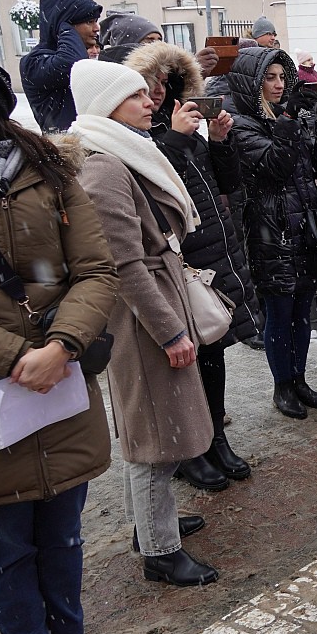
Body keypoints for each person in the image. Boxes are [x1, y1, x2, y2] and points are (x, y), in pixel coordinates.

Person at [0, 47, 123, 634]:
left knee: (62, 535)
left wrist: (63, 346)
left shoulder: (47, 170)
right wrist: (18, 357)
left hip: (59, 381)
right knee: (4, 545)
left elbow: (96, 270)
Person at [69, 59, 218, 588]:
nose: (150, 100)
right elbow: (125, 265)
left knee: (152, 427)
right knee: (155, 435)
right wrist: (171, 332)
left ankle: (150, 526)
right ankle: (159, 551)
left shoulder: (119, 152)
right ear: (107, 103)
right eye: (136, 95)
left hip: (150, 306)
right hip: (141, 318)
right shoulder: (105, 165)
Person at [123, 41, 259, 487]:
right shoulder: (134, 138)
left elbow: (226, 183)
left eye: (165, 82)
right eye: (148, 85)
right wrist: (179, 139)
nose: (157, 92)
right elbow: (156, 189)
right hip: (172, 260)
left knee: (212, 350)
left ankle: (215, 435)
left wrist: (218, 141)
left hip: (206, 252)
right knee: (184, 360)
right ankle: (191, 448)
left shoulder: (178, 128)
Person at [227, 46, 317, 419]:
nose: (278, 86)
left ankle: (301, 379)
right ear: (253, 84)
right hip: (270, 230)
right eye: (269, 79)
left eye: (281, 78)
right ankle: (283, 386)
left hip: (302, 227)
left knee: (302, 311)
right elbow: (276, 167)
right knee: (279, 311)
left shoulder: (289, 116)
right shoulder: (242, 124)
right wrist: (290, 119)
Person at [20, 0, 102, 132]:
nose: (97, 28)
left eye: (96, 21)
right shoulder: (34, 61)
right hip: (66, 149)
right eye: (89, 21)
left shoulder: (78, 54)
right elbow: (72, 64)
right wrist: (64, 26)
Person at [98, 11, 162, 48]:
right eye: (150, 40)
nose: (157, 45)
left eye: (159, 40)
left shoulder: (166, 67)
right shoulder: (109, 70)